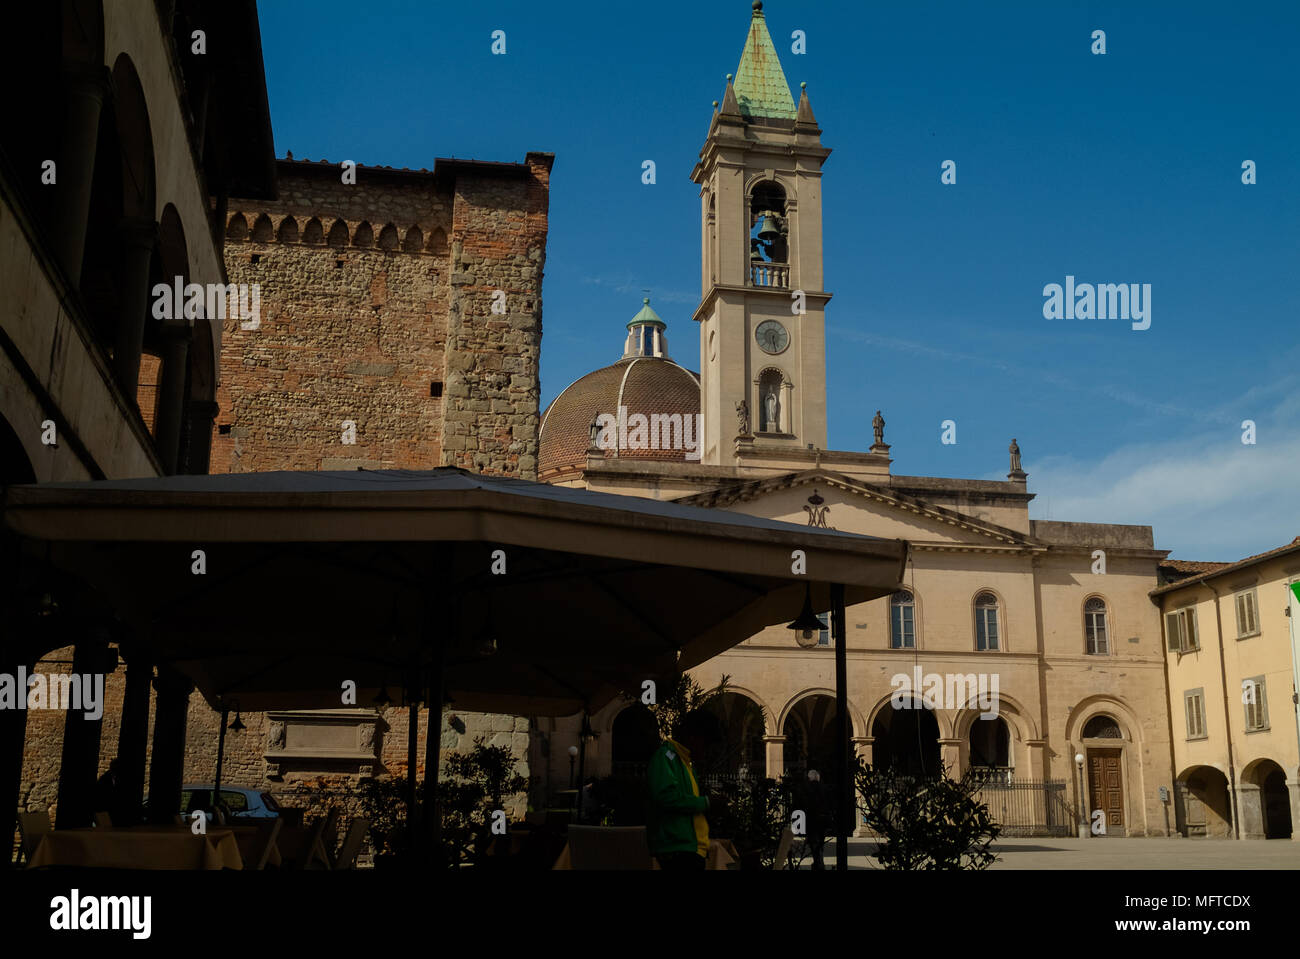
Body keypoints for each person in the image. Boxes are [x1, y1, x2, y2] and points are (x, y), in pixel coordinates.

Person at [646, 712, 713, 870]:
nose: (706, 750)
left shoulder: (684, 762)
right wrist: (706, 802)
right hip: (677, 849)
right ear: (693, 738)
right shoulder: (666, 757)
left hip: (690, 848)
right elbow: (666, 797)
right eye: (705, 744)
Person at [798, 769, 832, 870]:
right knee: (820, 842)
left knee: (814, 843)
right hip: (823, 819)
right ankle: (819, 861)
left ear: (809, 778)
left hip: (811, 820)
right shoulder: (824, 788)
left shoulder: (806, 789)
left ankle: (818, 862)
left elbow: (803, 804)